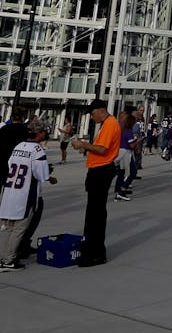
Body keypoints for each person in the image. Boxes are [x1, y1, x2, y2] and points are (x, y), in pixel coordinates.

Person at [0, 119, 57, 272]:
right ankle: (8, 260)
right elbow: (41, 174)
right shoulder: (37, 150)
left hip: (11, 191)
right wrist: (51, 176)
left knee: (11, 227)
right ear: (40, 133)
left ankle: (8, 256)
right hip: (26, 194)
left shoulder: (18, 146)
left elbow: (11, 165)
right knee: (20, 228)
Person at [70, 98, 120, 267]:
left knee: (96, 214)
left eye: (92, 114)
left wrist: (83, 144)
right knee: (94, 212)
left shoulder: (110, 124)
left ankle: (95, 253)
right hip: (99, 170)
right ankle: (92, 249)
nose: (92, 118)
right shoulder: (107, 124)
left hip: (101, 171)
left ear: (100, 110)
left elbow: (102, 149)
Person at [114, 108, 139, 200]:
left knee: (121, 173)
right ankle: (122, 189)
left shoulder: (119, 126)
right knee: (132, 172)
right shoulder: (128, 130)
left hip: (119, 151)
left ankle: (118, 191)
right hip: (125, 152)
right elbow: (132, 145)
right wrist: (138, 140)